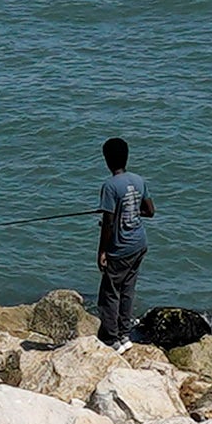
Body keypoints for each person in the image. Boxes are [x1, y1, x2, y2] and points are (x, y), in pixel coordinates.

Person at [95, 134, 154, 328]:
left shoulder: (110, 186)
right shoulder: (138, 180)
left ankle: (111, 338)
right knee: (127, 290)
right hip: (139, 244)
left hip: (121, 248)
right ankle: (124, 333)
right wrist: (128, 211)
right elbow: (150, 211)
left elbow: (108, 224)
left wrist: (102, 251)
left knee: (109, 294)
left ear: (107, 160)